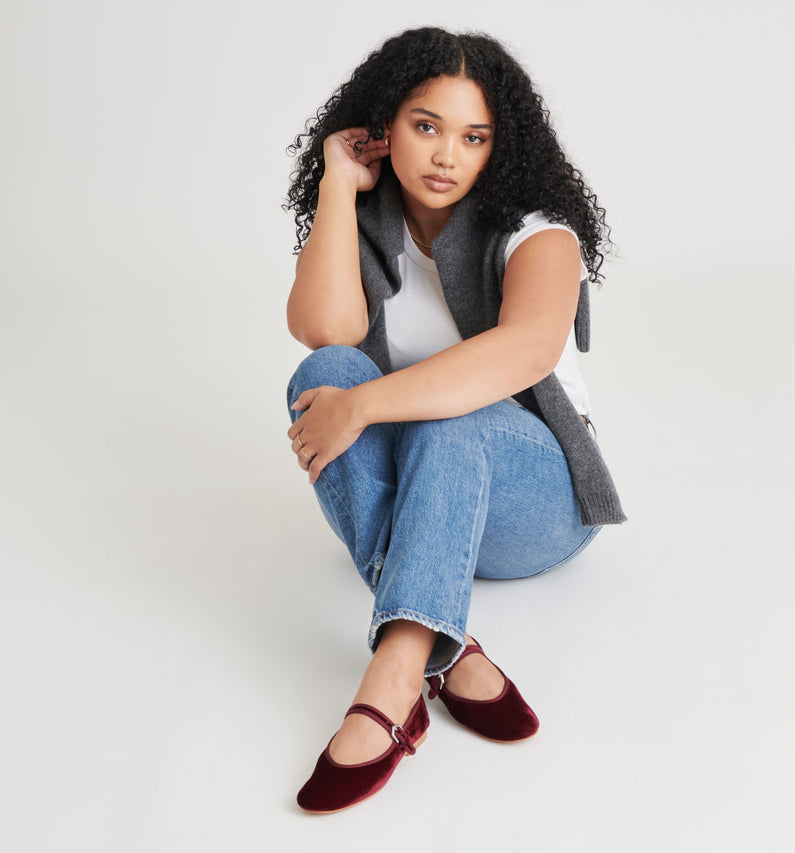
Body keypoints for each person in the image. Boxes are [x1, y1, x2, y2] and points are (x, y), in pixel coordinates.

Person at [283, 26, 625, 813]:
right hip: (428, 498)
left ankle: (398, 670)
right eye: (425, 126)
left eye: (473, 137)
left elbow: (522, 352)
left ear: (498, 147)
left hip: (537, 505)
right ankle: (452, 647)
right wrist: (337, 186)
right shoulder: (371, 225)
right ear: (385, 126)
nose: (446, 156)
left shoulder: (539, 231)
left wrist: (363, 406)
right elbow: (323, 331)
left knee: (451, 409)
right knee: (322, 375)